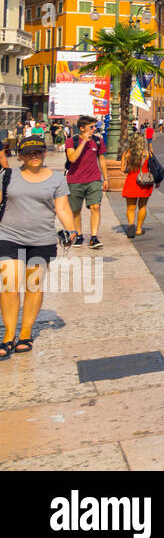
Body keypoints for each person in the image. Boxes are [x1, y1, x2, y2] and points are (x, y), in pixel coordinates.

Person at [1, 135, 80, 359]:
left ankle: (25, 332)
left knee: (33, 286)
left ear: (45, 153)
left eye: (38, 151)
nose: (34, 156)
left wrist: (71, 229)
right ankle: (8, 335)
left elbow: (62, 208)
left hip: (41, 239)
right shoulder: (7, 176)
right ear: (20, 156)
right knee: (8, 285)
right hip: (8, 235)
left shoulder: (56, 179)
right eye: (28, 152)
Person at [64, 115, 107, 250]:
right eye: (91, 127)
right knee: (76, 210)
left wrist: (106, 178)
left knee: (95, 207)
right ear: (82, 128)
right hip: (75, 180)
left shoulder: (98, 141)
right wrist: (83, 142)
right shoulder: (71, 141)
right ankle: (79, 235)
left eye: (95, 126)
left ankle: (93, 238)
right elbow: (72, 158)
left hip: (93, 179)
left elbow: (101, 159)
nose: (94, 129)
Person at [119, 132, 156, 239]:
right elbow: (154, 166)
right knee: (142, 206)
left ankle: (131, 225)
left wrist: (130, 169)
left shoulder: (126, 153)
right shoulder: (148, 153)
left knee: (131, 207)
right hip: (145, 182)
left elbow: (122, 169)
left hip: (131, 180)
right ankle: (139, 229)